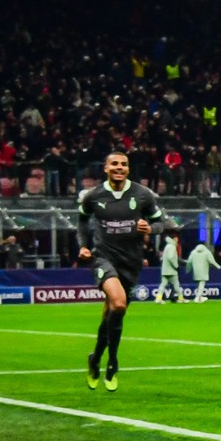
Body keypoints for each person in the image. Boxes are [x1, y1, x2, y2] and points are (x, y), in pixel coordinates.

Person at [77, 150, 164, 390]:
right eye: (114, 163)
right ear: (105, 168)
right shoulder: (93, 196)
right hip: (103, 258)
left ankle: (95, 359)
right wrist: (84, 246)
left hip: (131, 263)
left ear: (128, 169)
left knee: (111, 314)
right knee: (118, 303)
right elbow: (82, 221)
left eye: (123, 164)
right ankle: (113, 361)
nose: (119, 167)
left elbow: (160, 222)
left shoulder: (142, 195)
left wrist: (151, 229)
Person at [154, 233, 184, 303]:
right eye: (176, 239)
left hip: (165, 270)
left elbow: (162, 258)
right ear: (173, 239)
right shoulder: (172, 246)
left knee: (163, 285)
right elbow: (170, 257)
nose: (177, 240)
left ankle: (158, 299)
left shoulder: (167, 246)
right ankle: (181, 298)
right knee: (176, 285)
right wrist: (176, 265)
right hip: (171, 270)